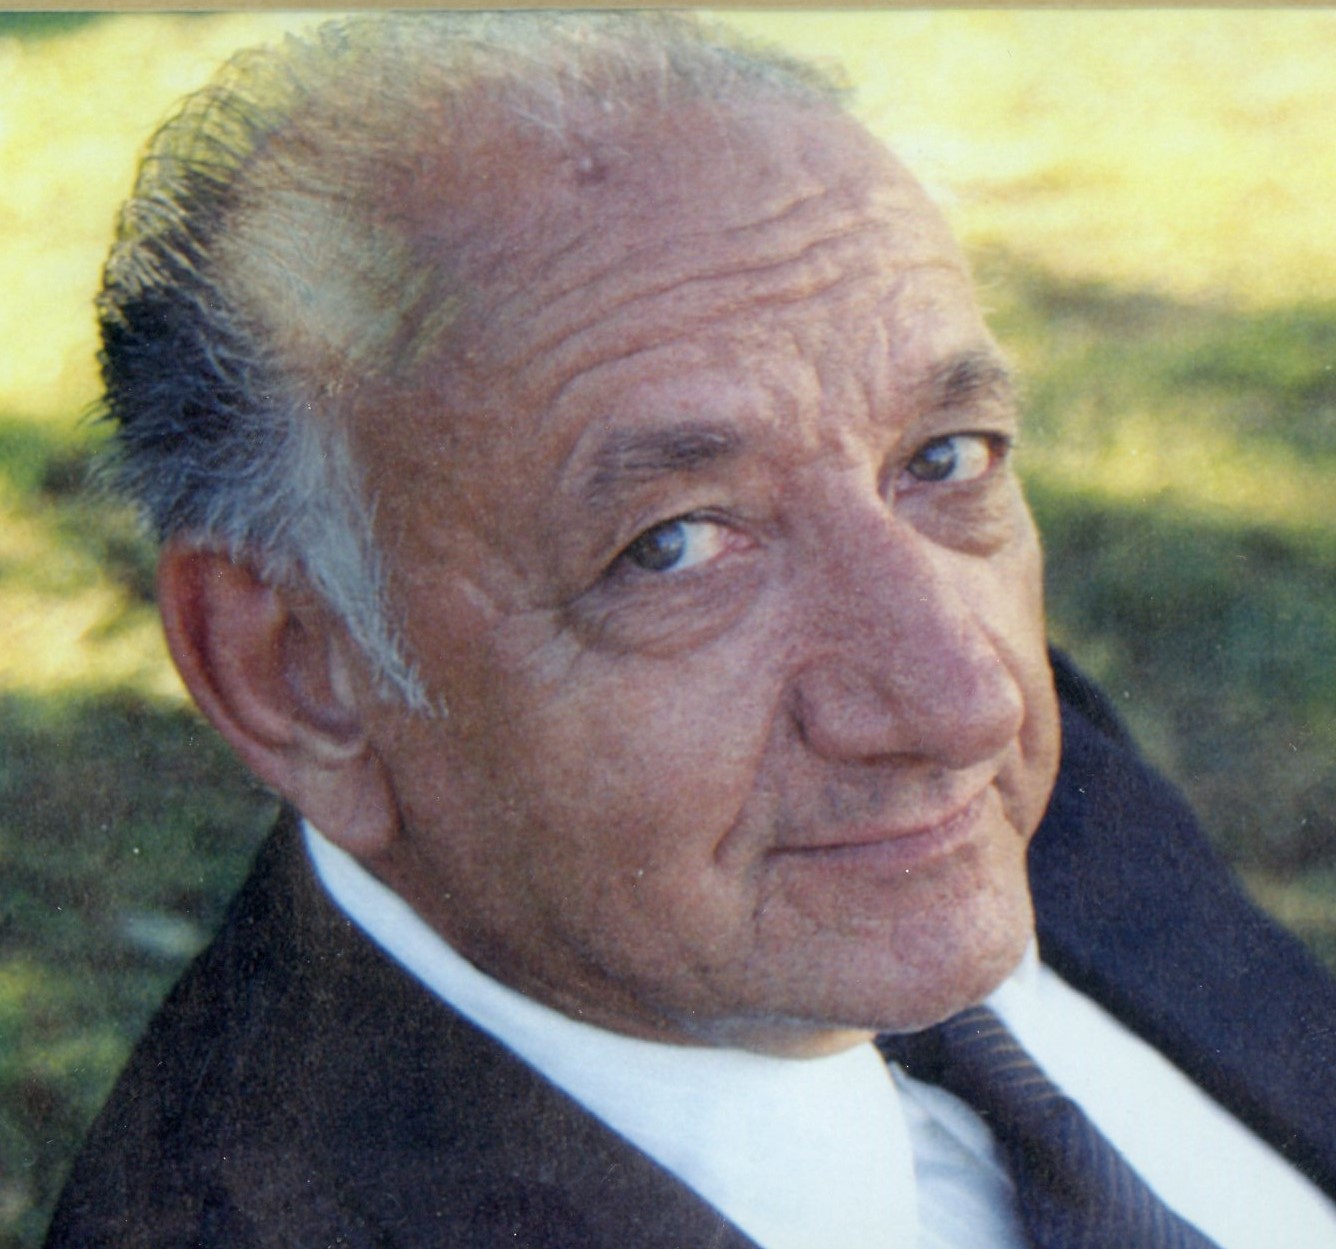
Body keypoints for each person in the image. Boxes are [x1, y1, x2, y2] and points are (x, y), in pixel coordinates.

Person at [45, 13, 1336, 1248]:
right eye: (674, 544)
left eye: (945, 456)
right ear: (297, 675)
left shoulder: (962, 804)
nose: (969, 702)